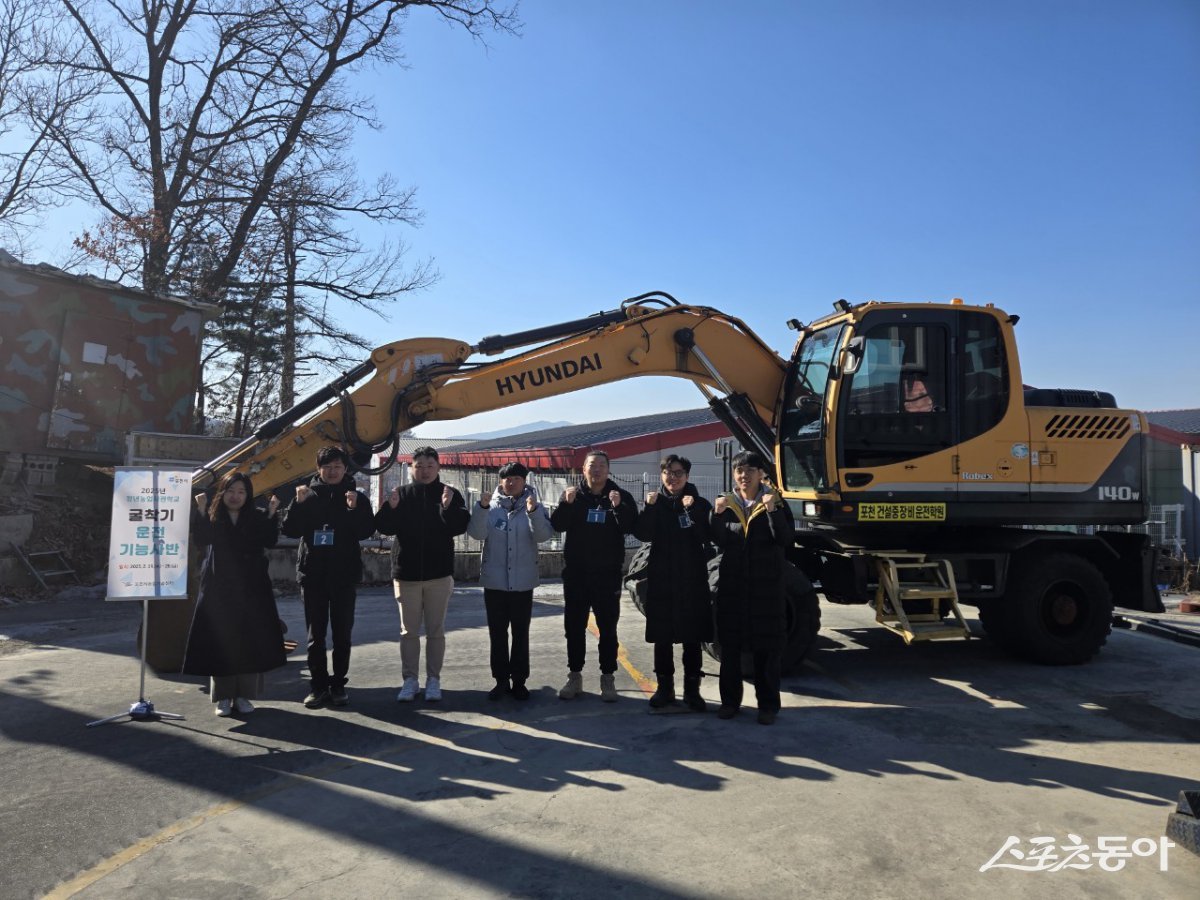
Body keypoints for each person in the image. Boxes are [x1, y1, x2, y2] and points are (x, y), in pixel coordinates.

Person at [182, 472, 287, 717]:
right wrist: (200, 509)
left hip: (252, 588)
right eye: (231, 491)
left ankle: (243, 696)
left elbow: (269, 541)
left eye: (241, 491)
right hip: (219, 587)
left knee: (250, 641)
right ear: (223, 493)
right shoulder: (213, 515)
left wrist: (272, 514)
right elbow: (201, 538)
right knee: (221, 641)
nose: (235, 496)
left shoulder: (257, 516)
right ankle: (223, 698)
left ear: (248, 495)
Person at [280, 446, 376, 709]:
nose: (332, 471)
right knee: (316, 635)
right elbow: (289, 529)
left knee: (342, 633)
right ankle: (318, 686)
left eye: (337, 466)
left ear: (346, 468)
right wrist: (298, 504)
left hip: (344, 575)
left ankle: (338, 685)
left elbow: (366, 530)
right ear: (318, 468)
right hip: (313, 575)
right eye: (327, 466)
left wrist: (354, 508)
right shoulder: (306, 494)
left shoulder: (356, 496)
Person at [374, 446, 470, 703]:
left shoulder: (449, 493)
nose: (425, 471)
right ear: (412, 468)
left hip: (439, 574)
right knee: (409, 631)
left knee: (436, 631)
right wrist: (391, 508)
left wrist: (448, 508)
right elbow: (383, 527)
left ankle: (434, 680)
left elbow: (460, 526)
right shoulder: (402, 494)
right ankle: (410, 680)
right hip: (407, 574)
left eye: (430, 466)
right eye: (420, 466)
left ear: (438, 468)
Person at [710, 450, 795, 725]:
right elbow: (717, 540)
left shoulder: (777, 503)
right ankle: (730, 703)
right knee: (730, 649)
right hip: (733, 588)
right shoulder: (728, 503)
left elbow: (784, 539)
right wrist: (716, 515)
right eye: (739, 471)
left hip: (765, 588)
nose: (743, 475)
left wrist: (772, 511)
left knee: (766, 649)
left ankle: (768, 706)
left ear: (761, 474)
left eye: (749, 470)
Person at [549, 450, 637, 702]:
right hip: (576, 575)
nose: (596, 469)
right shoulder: (574, 496)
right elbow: (558, 525)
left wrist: (618, 507)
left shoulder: (619, 496)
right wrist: (565, 503)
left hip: (607, 576)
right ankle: (574, 677)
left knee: (608, 629)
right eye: (591, 465)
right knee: (573, 628)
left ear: (608, 470)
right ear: (583, 469)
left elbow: (631, 527)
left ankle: (607, 678)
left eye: (601, 465)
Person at [467, 461, 554, 701]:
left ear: (524, 481)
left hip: (523, 582)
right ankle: (501, 680)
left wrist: (534, 512)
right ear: (500, 481)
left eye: (516, 478)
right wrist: (482, 508)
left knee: (520, 633)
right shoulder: (491, 506)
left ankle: (519, 681)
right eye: (506, 478)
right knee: (497, 633)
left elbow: (544, 536)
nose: (511, 482)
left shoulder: (534, 505)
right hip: (494, 582)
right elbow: (477, 534)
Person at [632, 454, 713, 712]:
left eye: (678, 473)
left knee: (692, 637)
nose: (673, 477)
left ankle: (693, 691)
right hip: (662, 578)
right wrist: (649, 507)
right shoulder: (656, 503)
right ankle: (664, 689)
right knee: (662, 637)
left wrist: (693, 510)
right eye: (668, 472)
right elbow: (643, 533)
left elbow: (707, 535)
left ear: (687, 476)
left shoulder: (700, 503)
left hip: (691, 579)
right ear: (662, 475)